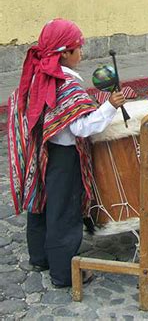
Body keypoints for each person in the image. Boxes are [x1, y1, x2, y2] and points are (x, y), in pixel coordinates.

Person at [7, 18, 125, 288]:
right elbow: (82, 127)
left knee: (41, 203)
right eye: (78, 49)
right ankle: (63, 273)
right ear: (65, 54)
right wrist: (110, 106)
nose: (81, 53)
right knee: (64, 212)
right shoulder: (67, 86)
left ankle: (40, 257)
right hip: (62, 157)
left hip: (42, 152)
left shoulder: (39, 74)